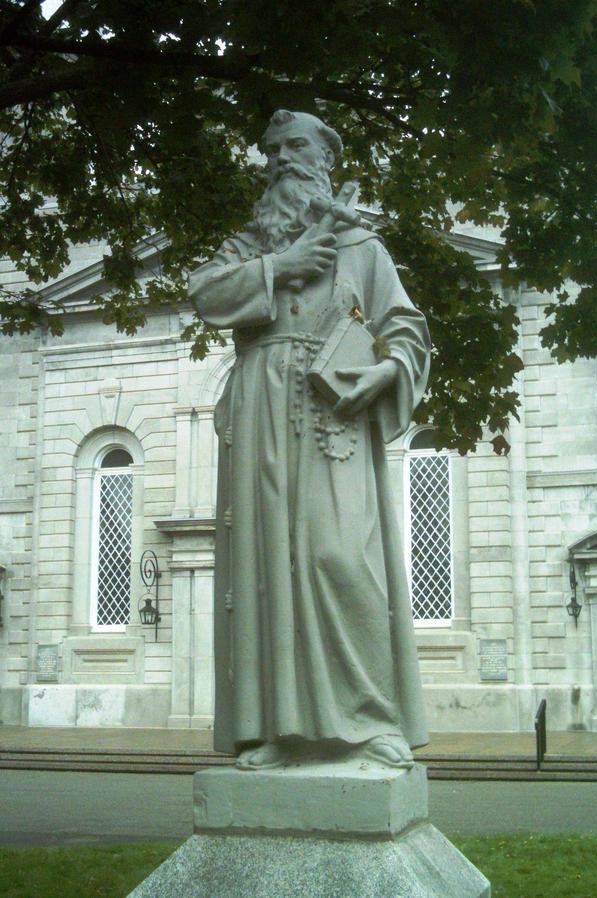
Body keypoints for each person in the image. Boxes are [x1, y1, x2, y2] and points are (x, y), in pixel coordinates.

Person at [189, 110, 431, 770]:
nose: (280, 159)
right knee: (268, 568)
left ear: (325, 159)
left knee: (341, 555)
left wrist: (385, 370)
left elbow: (406, 332)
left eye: (296, 146)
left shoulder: (364, 249)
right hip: (262, 417)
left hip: (336, 420)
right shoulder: (248, 246)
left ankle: (368, 719)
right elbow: (204, 294)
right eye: (271, 150)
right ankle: (277, 728)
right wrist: (280, 267)